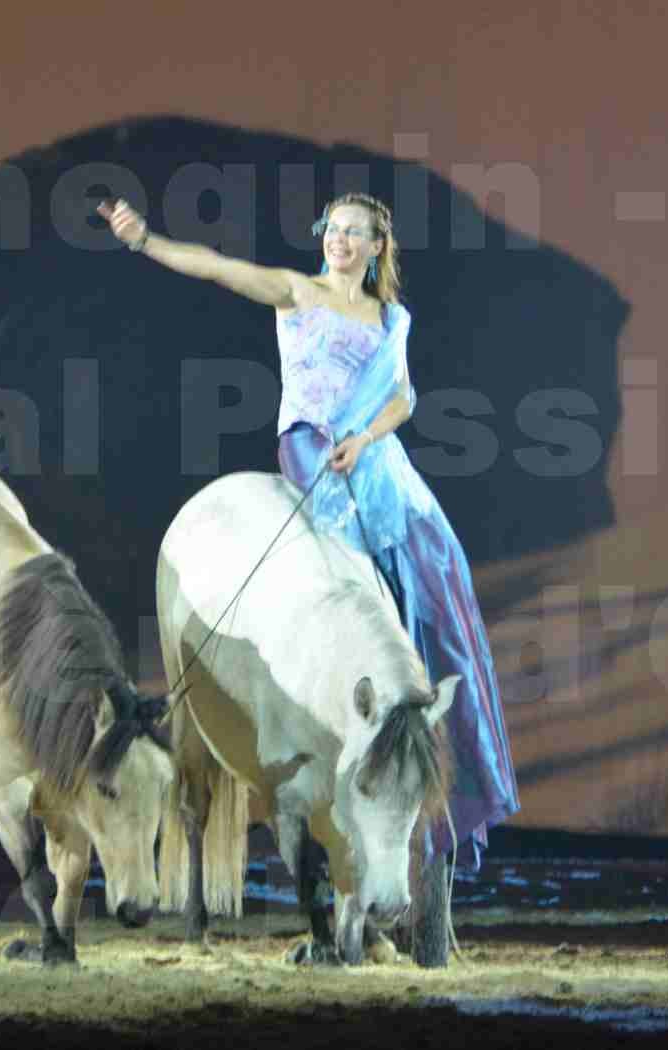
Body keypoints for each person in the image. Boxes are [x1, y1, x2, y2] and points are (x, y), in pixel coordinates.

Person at [97, 192, 519, 872]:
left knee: (438, 568)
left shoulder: (389, 319)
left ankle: (431, 740)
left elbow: (403, 398)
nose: (340, 242)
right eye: (333, 230)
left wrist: (365, 435)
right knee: (341, 569)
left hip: (373, 455)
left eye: (355, 234)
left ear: (377, 246)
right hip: (310, 445)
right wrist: (146, 240)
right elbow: (215, 267)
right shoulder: (296, 291)